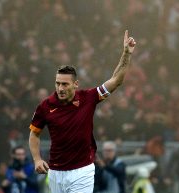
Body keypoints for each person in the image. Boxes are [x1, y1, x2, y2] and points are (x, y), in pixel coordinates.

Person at [28, 30, 136, 193]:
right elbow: (34, 134)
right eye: (58, 83)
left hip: (82, 171)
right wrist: (36, 159)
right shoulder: (45, 106)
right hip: (55, 172)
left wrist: (126, 54)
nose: (60, 88)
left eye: (65, 84)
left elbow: (116, 80)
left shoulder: (89, 98)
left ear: (75, 84)